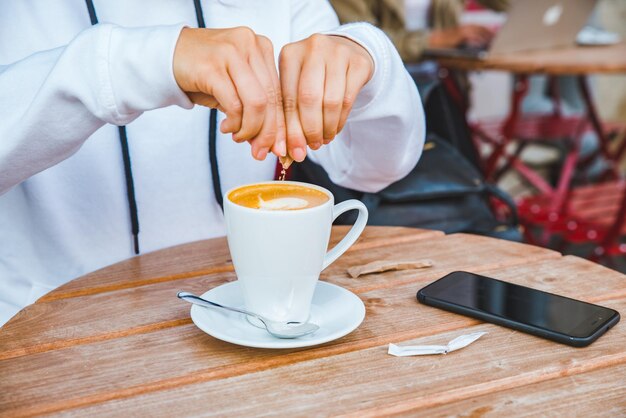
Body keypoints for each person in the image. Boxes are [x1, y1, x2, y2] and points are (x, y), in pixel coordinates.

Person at [0, 1, 425, 325]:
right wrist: (124, 65)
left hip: (242, 318)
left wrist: (369, 59)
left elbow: (375, 169)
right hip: (41, 322)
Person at [330, 0, 508, 63]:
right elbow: (358, 43)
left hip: (446, 78)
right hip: (386, 86)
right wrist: (434, 40)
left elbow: (507, 4)